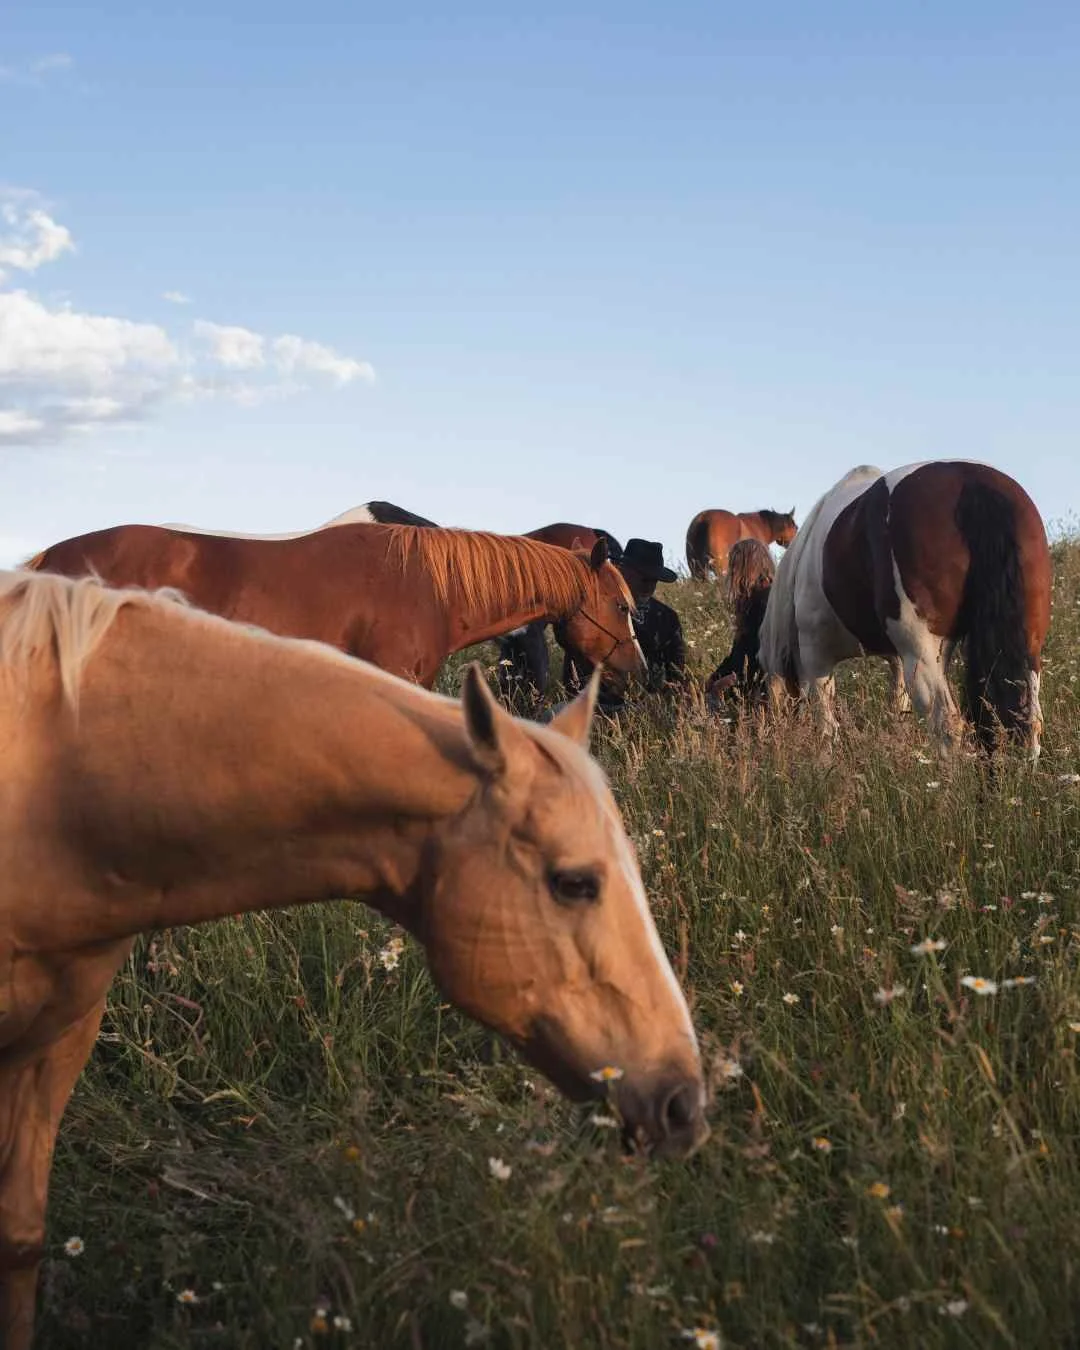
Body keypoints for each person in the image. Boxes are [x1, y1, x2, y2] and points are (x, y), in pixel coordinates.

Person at [559, 538, 686, 712]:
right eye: (644, 579)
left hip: (645, 708)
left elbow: (676, 669)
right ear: (624, 572)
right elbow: (574, 662)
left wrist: (662, 700)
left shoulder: (667, 618)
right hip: (592, 703)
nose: (649, 587)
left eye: (654, 581)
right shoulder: (596, 611)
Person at [706, 537, 775, 709]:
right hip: (751, 683)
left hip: (761, 688)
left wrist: (723, 683)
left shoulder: (763, 602)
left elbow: (761, 655)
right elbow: (740, 651)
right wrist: (716, 677)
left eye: (734, 565)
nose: (730, 571)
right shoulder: (753, 599)